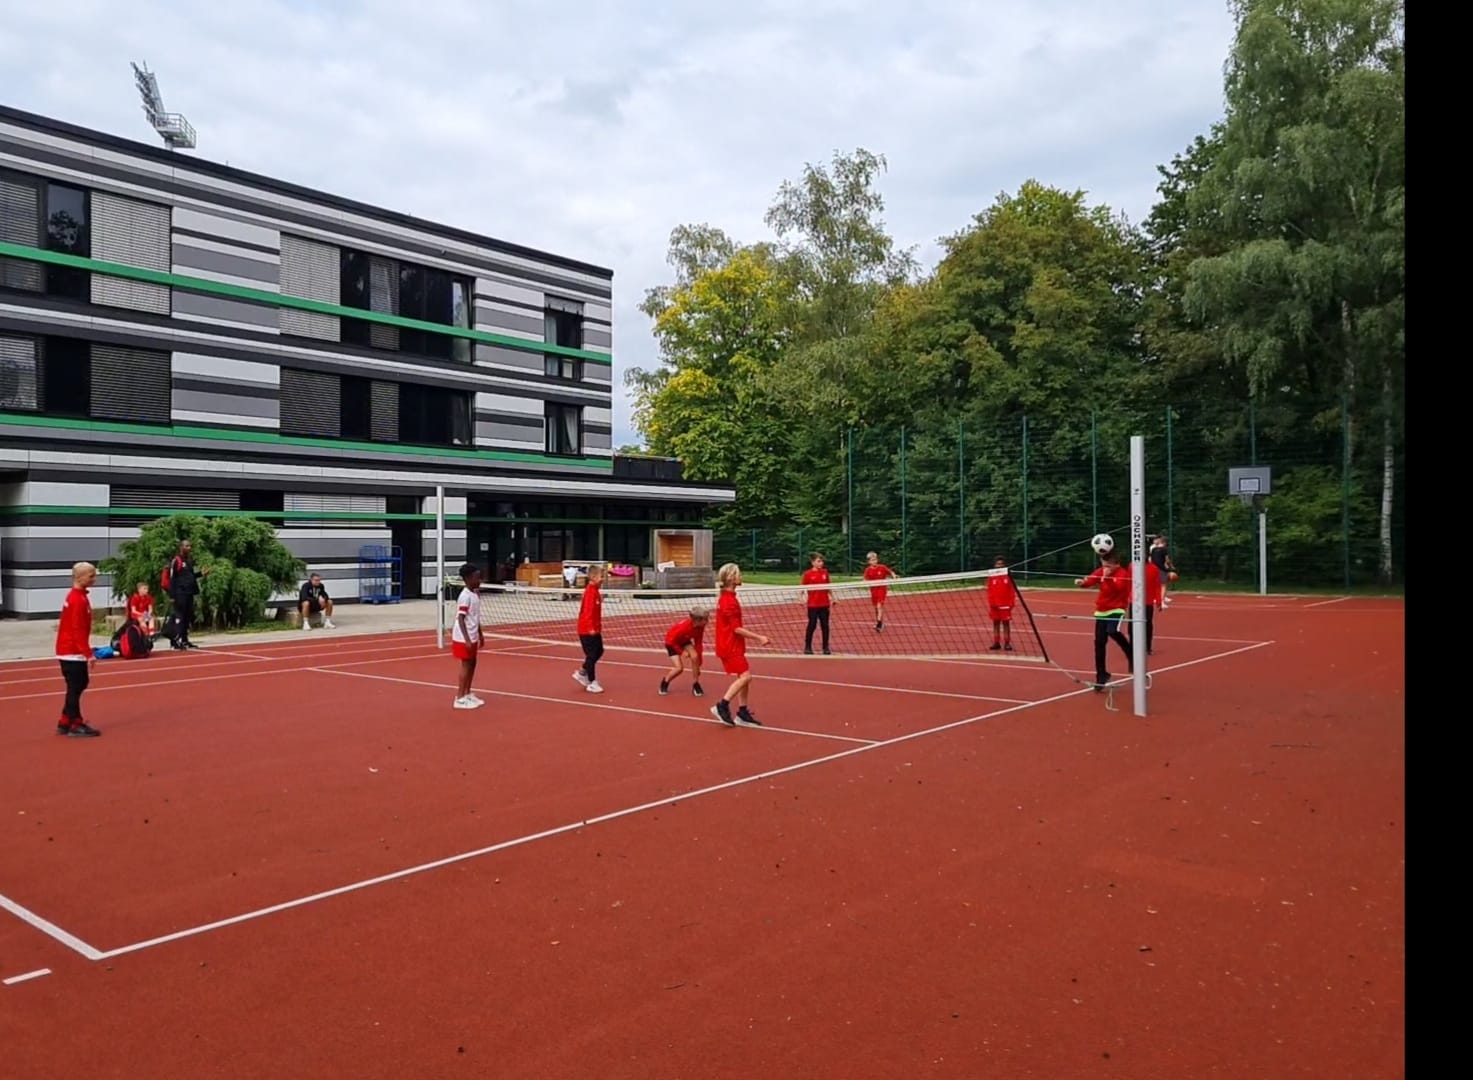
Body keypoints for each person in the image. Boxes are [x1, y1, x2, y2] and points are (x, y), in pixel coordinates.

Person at [711, 562, 770, 727]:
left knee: (744, 677)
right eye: (738, 574)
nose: (741, 576)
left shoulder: (728, 598)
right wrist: (759, 638)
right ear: (731, 578)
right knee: (746, 677)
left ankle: (742, 712)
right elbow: (736, 629)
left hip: (734, 645)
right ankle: (722, 705)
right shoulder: (728, 602)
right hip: (729, 646)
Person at [1076, 549, 1134, 690]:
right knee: (1099, 643)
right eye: (1104, 565)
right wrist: (1082, 583)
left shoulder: (1123, 574)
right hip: (1102, 610)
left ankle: (1131, 654)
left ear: (1116, 565)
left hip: (1117, 608)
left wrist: (1106, 578)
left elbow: (1118, 589)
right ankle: (1101, 674)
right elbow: (1090, 580)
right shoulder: (1101, 571)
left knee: (1113, 631)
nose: (1105, 569)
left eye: (1108, 566)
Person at [56, 561, 101, 737]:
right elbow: (77, 629)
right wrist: (88, 653)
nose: (94, 579)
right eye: (91, 576)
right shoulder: (77, 599)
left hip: (70, 649)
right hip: (71, 651)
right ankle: (75, 723)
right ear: (80, 577)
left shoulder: (78, 596)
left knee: (77, 685)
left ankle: (65, 720)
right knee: (77, 685)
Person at [451, 562, 486, 710]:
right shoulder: (465, 596)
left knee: (473, 663)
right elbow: (461, 618)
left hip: (473, 635)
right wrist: (466, 640)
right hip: (463, 637)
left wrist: (480, 634)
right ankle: (459, 697)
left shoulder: (475, 594)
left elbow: (475, 617)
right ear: (468, 579)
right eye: (476, 578)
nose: (479, 580)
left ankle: (467, 692)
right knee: (466, 664)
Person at [164, 539, 210, 650]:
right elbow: (172, 578)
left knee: (187, 618)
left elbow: (189, 577)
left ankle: (185, 640)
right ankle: (175, 641)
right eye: (187, 546)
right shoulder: (176, 560)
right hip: (179, 594)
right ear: (181, 547)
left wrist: (200, 574)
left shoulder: (189, 561)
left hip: (189, 593)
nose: (189, 548)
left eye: (190, 546)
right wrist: (172, 596)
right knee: (179, 617)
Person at [572, 564, 605, 694]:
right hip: (586, 630)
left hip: (595, 629)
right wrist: (590, 628)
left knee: (599, 651)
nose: (602, 579)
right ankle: (592, 682)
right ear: (593, 577)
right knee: (591, 655)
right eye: (601, 576)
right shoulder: (590, 592)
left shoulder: (596, 591)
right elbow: (587, 612)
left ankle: (582, 672)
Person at [660, 608, 708, 697]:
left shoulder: (700, 627)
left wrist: (699, 662)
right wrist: (681, 652)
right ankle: (665, 682)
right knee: (679, 668)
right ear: (697, 620)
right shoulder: (683, 628)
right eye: (705, 619)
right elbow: (671, 641)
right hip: (672, 643)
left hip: (684, 640)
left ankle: (696, 684)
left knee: (695, 656)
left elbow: (698, 643)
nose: (707, 621)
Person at [801, 552, 834, 655]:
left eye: (821, 561)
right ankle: (808, 646)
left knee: (825, 625)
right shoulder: (807, 574)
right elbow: (802, 588)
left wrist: (833, 598)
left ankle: (825, 647)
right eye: (818, 561)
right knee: (812, 625)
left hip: (824, 604)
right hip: (813, 605)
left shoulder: (825, 572)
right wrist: (800, 598)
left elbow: (828, 587)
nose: (821, 563)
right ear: (813, 562)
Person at [986, 555, 1020, 651]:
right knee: (995, 623)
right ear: (995, 565)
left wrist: (1011, 603)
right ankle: (996, 642)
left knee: (1006, 624)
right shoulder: (991, 577)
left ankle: (1007, 643)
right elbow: (989, 590)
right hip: (994, 605)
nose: (999, 566)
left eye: (1001, 564)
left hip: (1005, 605)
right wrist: (991, 602)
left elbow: (1012, 591)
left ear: (1004, 565)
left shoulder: (1008, 577)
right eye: (997, 564)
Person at [862, 551, 898, 632]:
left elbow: (891, 572)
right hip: (873, 591)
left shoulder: (882, 567)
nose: (874, 561)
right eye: (872, 560)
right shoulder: (867, 570)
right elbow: (864, 579)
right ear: (869, 562)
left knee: (879, 606)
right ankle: (880, 622)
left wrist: (894, 575)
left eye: (875, 560)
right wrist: (865, 582)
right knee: (876, 608)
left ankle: (879, 624)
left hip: (882, 589)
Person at [1150, 535, 1175, 608]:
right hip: (1161, 569)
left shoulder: (1154, 549)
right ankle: (1161, 602)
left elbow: (1151, 559)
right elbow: (1167, 560)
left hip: (1153, 569)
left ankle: (1155, 599)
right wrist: (1171, 566)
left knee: (1156, 585)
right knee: (1163, 585)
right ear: (1164, 543)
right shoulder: (1164, 549)